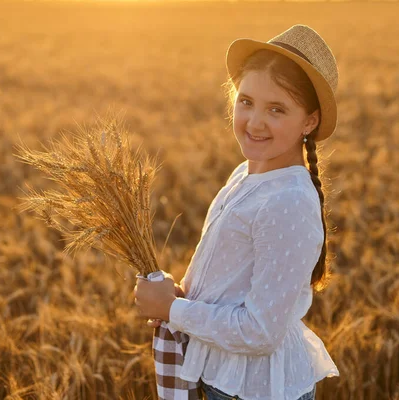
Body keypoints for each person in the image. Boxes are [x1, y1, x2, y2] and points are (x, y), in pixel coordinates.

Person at [134, 24, 340, 400]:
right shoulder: (246, 173)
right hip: (224, 378)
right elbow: (231, 279)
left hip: (256, 389)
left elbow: (260, 332)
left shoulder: (288, 201)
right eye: (246, 102)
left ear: (309, 121)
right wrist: (182, 297)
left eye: (276, 109)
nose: (255, 122)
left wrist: (173, 310)